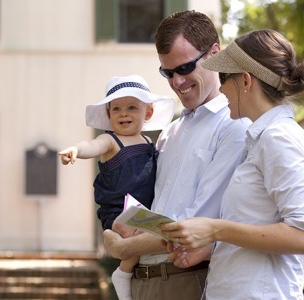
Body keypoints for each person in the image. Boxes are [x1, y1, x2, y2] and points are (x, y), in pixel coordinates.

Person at [160, 29, 304, 299]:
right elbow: (256, 224)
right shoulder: (261, 139)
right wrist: (210, 245)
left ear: (246, 80)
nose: (222, 87)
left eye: (226, 78)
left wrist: (215, 228)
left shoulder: (279, 138)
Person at [102, 11, 250, 299]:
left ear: (214, 55)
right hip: (142, 281)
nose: (176, 82)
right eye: (167, 73)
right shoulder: (171, 131)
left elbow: (197, 225)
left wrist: (123, 247)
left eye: (184, 68)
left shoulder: (234, 125)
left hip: (187, 280)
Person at [59, 74, 175, 300]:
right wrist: (76, 150)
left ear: (148, 113)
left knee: (161, 231)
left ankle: (130, 268)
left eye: (132, 107)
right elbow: (92, 145)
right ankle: (123, 272)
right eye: (117, 109)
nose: (124, 113)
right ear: (108, 114)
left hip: (144, 209)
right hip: (119, 210)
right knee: (137, 233)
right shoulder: (111, 141)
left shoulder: (150, 143)